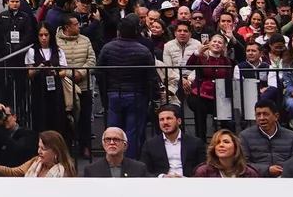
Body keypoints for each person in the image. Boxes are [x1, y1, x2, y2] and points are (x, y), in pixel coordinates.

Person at [98, 17, 158, 158]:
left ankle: (113, 160)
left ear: (119, 32)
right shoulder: (143, 50)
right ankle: (131, 163)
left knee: (113, 131)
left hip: (114, 93)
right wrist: (154, 95)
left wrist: (104, 93)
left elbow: (99, 72)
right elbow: (151, 76)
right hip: (136, 94)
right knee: (133, 132)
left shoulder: (107, 48)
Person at [137, 105, 205, 177]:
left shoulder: (195, 143)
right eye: (161, 119)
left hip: (188, 184)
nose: (165, 122)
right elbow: (144, 170)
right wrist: (162, 177)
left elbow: (203, 169)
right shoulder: (150, 144)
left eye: (169, 118)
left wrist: (185, 179)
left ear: (179, 121)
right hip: (160, 184)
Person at [238, 101, 293, 178]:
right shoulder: (245, 136)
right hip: (257, 180)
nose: (261, 118)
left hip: (286, 179)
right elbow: (243, 164)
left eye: (265, 114)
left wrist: (284, 171)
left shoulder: (292, 136)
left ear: (276, 116)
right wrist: (267, 170)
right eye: (258, 115)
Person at [0, 129, 76, 177]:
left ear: (56, 152)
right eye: (39, 147)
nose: (39, 152)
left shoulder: (65, 173)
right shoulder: (35, 162)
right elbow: (12, 172)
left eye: (44, 149)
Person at [80, 127, 150, 177]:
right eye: (107, 139)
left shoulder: (139, 169)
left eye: (116, 139)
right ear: (103, 144)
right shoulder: (91, 170)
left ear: (125, 145)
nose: (112, 142)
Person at [193, 129, 259, 178]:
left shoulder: (249, 173)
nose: (221, 145)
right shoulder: (203, 171)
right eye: (217, 142)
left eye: (226, 142)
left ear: (236, 147)